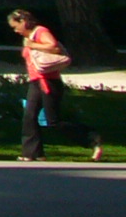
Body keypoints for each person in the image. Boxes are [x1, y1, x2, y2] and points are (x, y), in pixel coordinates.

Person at [9, 9, 103, 162]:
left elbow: (54, 46)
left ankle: (91, 138)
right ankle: (33, 153)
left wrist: (32, 44)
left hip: (49, 82)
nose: (15, 30)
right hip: (36, 82)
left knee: (53, 122)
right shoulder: (29, 37)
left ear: (23, 22)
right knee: (29, 117)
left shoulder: (40, 32)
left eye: (15, 26)